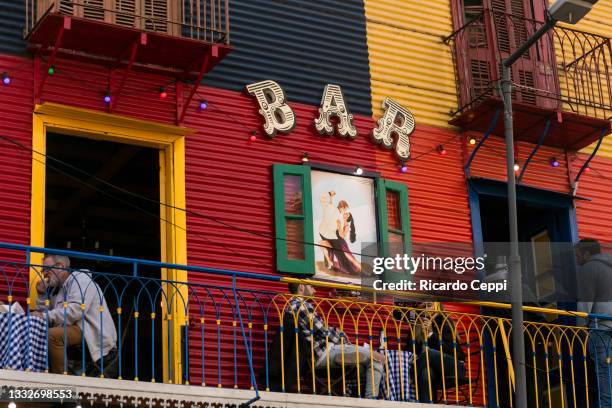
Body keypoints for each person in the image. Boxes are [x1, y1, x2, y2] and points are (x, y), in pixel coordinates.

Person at [286, 282, 385, 398]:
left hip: (319, 353)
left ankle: (367, 398)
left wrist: (336, 332)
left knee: (369, 366)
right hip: (324, 353)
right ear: (301, 286)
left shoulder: (293, 306)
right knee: (378, 358)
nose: (315, 291)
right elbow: (322, 330)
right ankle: (372, 400)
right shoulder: (301, 305)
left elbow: (320, 328)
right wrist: (341, 337)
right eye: (312, 287)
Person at [32, 254, 118, 376]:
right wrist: (41, 295)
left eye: (46, 269)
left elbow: (76, 310)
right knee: (42, 335)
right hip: (74, 330)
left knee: (52, 336)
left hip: (90, 332)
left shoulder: (81, 279)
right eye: (42, 270)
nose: (44, 273)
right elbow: (49, 317)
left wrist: (45, 316)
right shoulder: (57, 290)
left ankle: (61, 382)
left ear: (60, 266)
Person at [575, 238, 612, 407]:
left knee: (604, 372)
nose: (577, 260)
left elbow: (585, 301)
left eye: (578, 255)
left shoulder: (589, 267)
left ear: (587, 253)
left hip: (602, 327)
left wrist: (578, 327)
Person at [412, 309, 466, 403]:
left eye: (429, 305)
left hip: (454, 366)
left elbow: (451, 350)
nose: (426, 309)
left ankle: (411, 377)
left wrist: (430, 334)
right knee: (426, 372)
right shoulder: (417, 325)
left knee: (429, 353)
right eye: (424, 306)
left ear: (438, 306)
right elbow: (411, 351)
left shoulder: (444, 321)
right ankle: (426, 404)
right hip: (436, 370)